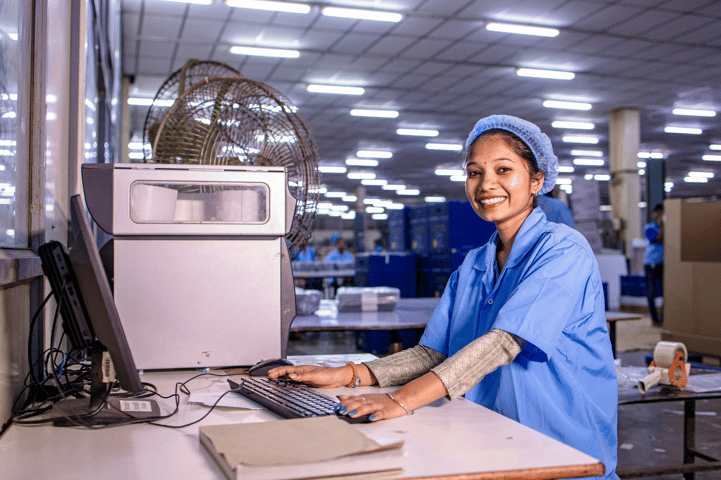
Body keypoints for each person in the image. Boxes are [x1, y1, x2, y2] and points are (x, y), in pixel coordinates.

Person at [271, 115, 619, 480]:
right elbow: (432, 353)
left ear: (537, 180)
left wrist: (400, 399)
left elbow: (505, 343)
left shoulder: (564, 251)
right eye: (474, 172)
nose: (487, 184)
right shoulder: (475, 264)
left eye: (503, 169)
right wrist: (350, 373)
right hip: (492, 440)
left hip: (562, 448)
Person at [643, 204, 664, 326]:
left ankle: (663, 318)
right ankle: (655, 319)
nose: (660, 216)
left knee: (664, 292)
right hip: (650, 263)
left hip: (661, 263)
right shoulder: (649, 227)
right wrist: (661, 226)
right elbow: (658, 239)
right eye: (658, 213)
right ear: (654, 214)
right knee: (651, 293)